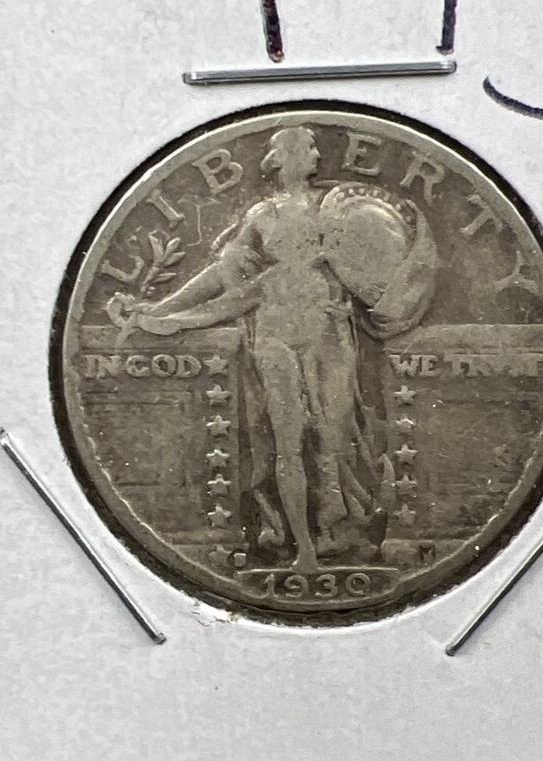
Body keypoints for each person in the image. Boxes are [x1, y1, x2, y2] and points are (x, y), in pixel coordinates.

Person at [115, 126, 435, 572]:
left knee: (337, 437)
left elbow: (372, 261)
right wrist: (163, 308)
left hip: (328, 329)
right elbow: (219, 275)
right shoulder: (260, 215)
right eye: (308, 147)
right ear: (284, 157)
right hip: (274, 327)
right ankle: (302, 550)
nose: (317, 155)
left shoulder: (338, 207)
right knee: (287, 442)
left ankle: (340, 533)